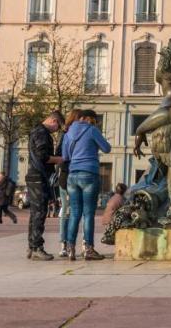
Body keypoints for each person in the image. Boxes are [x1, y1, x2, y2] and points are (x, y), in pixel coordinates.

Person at [61, 109, 112, 261]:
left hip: (72, 175)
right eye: (91, 120)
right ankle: (88, 249)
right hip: (89, 173)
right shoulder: (91, 130)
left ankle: (70, 248)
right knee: (88, 214)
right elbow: (107, 148)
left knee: (75, 213)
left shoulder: (68, 133)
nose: (93, 122)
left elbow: (65, 156)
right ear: (84, 118)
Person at [25, 110, 64, 261]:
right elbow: (43, 157)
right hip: (38, 176)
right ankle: (36, 248)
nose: (56, 131)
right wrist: (59, 159)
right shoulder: (42, 133)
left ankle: (31, 246)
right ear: (54, 121)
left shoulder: (36, 130)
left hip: (35, 176)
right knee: (40, 213)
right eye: (58, 128)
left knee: (35, 213)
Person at [55, 109, 82, 258]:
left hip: (68, 175)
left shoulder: (65, 134)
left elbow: (59, 154)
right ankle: (66, 244)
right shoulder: (68, 135)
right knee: (69, 211)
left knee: (68, 211)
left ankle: (66, 244)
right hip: (69, 175)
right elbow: (60, 155)